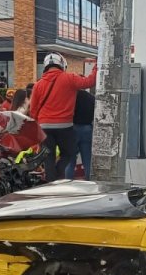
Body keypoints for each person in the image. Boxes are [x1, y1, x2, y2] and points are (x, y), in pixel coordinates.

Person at [28, 52, 96, 181]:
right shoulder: (69, 78)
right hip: (65, 125)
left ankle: (51, 181)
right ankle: (58, 174)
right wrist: (97, 66)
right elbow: (89, 81)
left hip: (44, 126)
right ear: (62, 64)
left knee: (48, 156)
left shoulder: (38, 84)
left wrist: (38, 124)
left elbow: (33, 110)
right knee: (69, 154)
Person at [73, 89, 95, 179]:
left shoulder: (71, 97)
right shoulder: (90, 97)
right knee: (87, 159)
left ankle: (67, 181)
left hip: (73, 128)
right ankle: (89, 180)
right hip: (87, 129)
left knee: (70, 159)